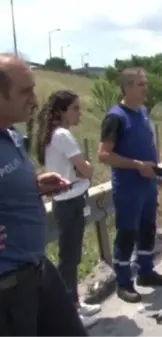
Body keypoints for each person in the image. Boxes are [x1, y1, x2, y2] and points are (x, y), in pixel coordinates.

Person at [0, 54, 88, 337]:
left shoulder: (11, 134)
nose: (34, 98)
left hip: (38, 269)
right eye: (25, 91)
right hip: (9, 289)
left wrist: (35, 185)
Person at [97, 67, 162, 303]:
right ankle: (123, 282)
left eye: (145, 83)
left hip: (147, 185)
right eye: (140, 84)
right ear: (127, 87)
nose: (145, 88)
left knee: (148, 229)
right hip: (128, 187)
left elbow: (148, 145)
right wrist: (137, 165)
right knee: (127, 233)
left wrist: (158, 173)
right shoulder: (115, 117)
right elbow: (104, 155)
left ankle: (146, 272)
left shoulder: (143, 112)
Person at [31, 90, 100, 328]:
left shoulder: (55, 134)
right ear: (62, 112)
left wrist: (83, 169)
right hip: (70, 201)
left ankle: (75, 303)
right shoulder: (62, 135)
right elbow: (86, 169)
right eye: (75, 108)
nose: (79, 113)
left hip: (68, 200)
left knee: (71, 256)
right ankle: (69, 311)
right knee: (69, 259)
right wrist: (86, 168)